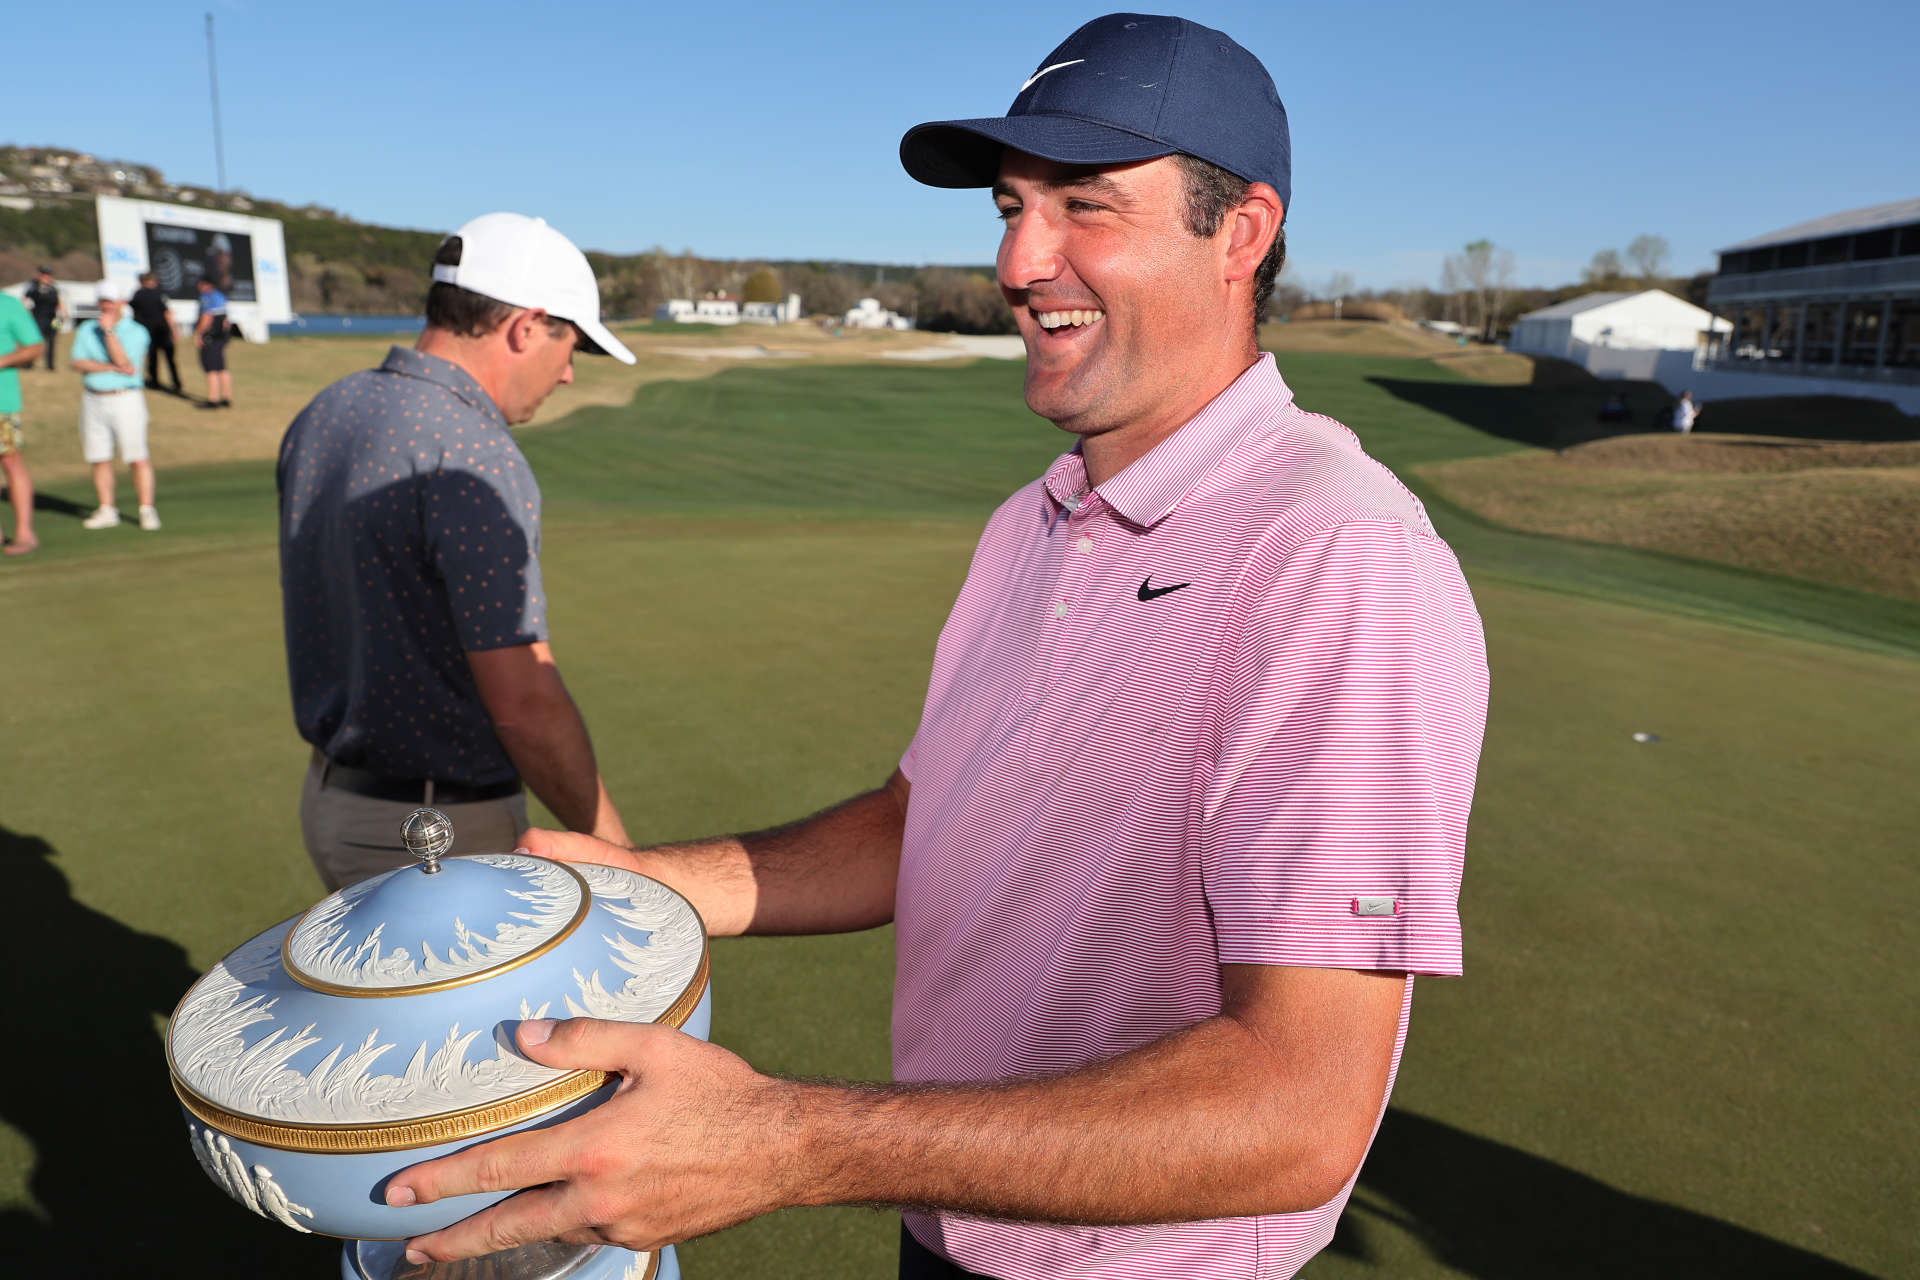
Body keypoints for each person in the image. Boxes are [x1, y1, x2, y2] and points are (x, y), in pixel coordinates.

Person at [384, 16, 1490, 1280]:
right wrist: (641, 883)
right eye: (1013, 205)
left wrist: (783, 1138)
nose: (1022, 259)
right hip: (947, 1222)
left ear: (1239, 233)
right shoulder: (1035, 518)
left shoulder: (1338, 556)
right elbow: (926, 817)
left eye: (1086, 204)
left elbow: (1295, 1111)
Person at [277, 212, 637, 891]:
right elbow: (523, 701)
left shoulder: (329, 410)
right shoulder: (472, 452)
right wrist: (618, 852)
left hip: (333, 800)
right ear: (526, 328)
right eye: (573, 348)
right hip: (434, 830)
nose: (566, 376)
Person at [69, 280, 159, 532]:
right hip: (93, 396)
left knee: (136, 456)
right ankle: (107, 509)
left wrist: (109, 332)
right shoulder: (87, 329)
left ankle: (146, 509)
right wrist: (109, 368)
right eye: (102, 301)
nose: (106, 306)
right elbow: (77, 362)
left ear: (121, 302)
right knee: (99, 456)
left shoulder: (136, 331)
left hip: (125, 398)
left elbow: (125, 363)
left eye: (110, 300)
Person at [0, 289, 46, 554]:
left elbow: (35, 346)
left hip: (2, 402)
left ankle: (25, 534)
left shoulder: (8, 305)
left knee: (9, 460)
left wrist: (3, 360)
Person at [130, 271, 182, 394]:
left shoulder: (138, 294)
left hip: (148, 333)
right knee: (170, 359)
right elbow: (167, 313)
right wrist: (174, 330)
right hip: (163, 332)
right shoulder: (159, 294)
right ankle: (176, 383)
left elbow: (133, 311)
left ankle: (154, 381)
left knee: (152, 358)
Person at [193, 277, 233, 408]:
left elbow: (206, 317)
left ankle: (212, 399)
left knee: (211, 369)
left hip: (210, 338)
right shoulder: (220, 296)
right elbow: (226, 321)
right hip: (220, 338)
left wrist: (198, 334)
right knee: (221, 367)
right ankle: (226, 398)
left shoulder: (207, 297)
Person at [23, 267, 63, 371]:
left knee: (52, 341)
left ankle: (50, 366)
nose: (47, 278)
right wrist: (26, 312)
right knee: (34, 340)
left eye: (48, 276)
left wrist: (63, 313)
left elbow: (58, 302)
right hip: (38, 318)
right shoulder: (33, 288)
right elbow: (25, 300)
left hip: (54, 319)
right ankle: (28, 364)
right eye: (44, 276)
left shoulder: (54, 288)